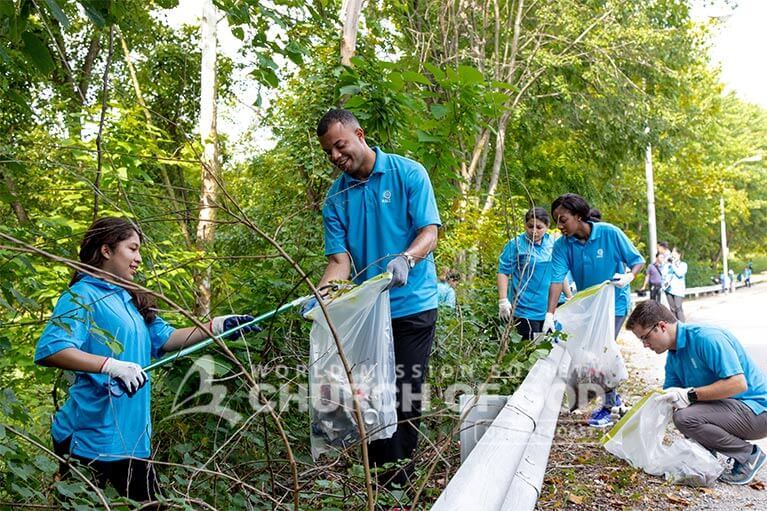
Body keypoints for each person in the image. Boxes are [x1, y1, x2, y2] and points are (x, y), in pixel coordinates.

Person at [35, 217, 259, 501]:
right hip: (88, 436)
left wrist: (217, 326)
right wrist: (111, 366)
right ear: (106, 250)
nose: (139, 258)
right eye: (132, 248)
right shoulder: (82, 295)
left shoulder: (130, 298)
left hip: (133, 436)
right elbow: (52, 350)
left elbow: (166, 339)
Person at [311, 108, 441, 486]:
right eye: (328, 153)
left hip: (412, 305)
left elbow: (429, 233)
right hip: (368, 315)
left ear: (359, 134)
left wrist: (407, 258)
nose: (336, 157)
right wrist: (323, 296)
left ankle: (396, 487)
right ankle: (379, 484)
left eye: (340, 145)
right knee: (368, 400)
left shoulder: (408, 173)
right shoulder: (336, 200)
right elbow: (340, 261)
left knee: (404, 396)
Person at [626, 300, 767, 485]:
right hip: (732, 411)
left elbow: (738, 384)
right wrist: (635, 414)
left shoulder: (707, 338)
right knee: (680, 409)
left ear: (661, 326)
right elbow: (668, 397)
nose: (645, 344)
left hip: (757, 411)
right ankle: (707, 455)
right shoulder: (674, 356)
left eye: (645, 337)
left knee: (685, 417)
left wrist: (690, 395)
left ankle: (748, 455)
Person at [544, 194, 645, 427]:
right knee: (592, 356)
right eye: (556, 221)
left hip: (614, 305)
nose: (559, 226)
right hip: (588, 308)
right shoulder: (562, 245)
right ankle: (614, 398)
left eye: (563, 220)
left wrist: (630, 275)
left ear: (579, 217)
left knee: (601, 354)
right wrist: (549, 313)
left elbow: (636, 259)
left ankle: (609, 407)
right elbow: (556, 279)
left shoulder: (609, 233)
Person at [497, 207, 572, 340]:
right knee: (526, 352)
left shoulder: (554, 244)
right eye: (530, 226)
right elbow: (503, 272)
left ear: (547, 226)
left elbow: (559, 274)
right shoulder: (516, 244)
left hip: (548, 309)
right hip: (524, 309)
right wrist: (503, 300)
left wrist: (569, 297)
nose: (534, 231)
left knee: (546, 351)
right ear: (525, 225)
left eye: (539, 227)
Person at [664, 247, 687, 321]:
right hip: (668, 289)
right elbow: (663, 274)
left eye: (675, 255)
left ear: (679, 255)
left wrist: (673, 264)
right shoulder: (669, 265)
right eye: (672, 255)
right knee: (672, 309)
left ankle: (683, 327)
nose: (673, 257)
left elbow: (680, 273)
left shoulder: (683, 264)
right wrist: (666, 263)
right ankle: (675, 327)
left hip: (678, 290)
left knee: (678, 308)